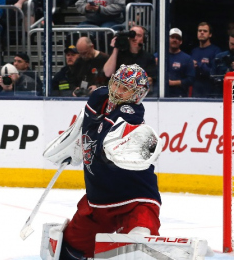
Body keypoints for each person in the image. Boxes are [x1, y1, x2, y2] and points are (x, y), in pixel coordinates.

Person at [42, 64, 162, 259]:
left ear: (137, 95)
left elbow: (112, 137)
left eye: (125, 89)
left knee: (137, 246)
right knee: (68, 250)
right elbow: (86, 124)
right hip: (98, 202)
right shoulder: (98, 97)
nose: (117, 91)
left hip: (135, 199)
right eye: (116, 84)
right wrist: (74, 145)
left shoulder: (130, 113)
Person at [102, 25, 156, 95]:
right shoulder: (118, 54)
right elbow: (108, 73)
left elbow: (150, 79)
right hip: (118, 93)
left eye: (139, 36)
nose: (134, 38)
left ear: (143, 40)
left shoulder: (149, 57)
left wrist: (129, 85)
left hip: (139, 94)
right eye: (132, 35)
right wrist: (116, 48)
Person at [155, 28, 195, 97]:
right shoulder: (158, 56)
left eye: (177, 38)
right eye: (172, 37)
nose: (175, 40)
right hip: (159, 96)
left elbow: (190, 80)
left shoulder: (187, 59)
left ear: (181, 41)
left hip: (179, 97)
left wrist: (173, 83)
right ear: (168, 39)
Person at [190, 22, 221, 97]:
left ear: (210, 34)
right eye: (199, 31)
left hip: (210, 91)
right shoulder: (194, 51)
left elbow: (215, 73)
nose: (202, 33)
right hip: (196, 91)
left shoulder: (216, 51)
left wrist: (198, 65)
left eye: (205, 31)